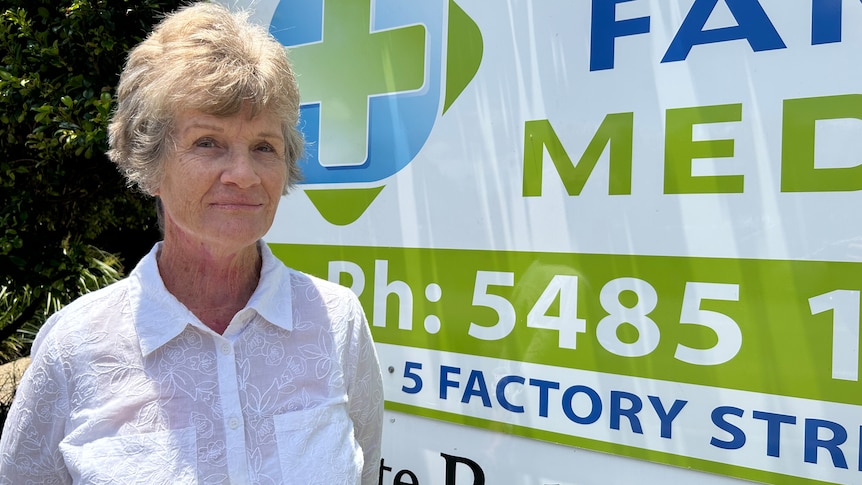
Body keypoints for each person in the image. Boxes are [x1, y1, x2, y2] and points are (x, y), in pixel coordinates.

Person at [0, 3, 383, 484]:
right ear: (149, 160)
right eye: (208, 142)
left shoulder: (336, 320)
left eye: (264, 146)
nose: (243, 175)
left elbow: (365, 466)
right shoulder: (75, 348)